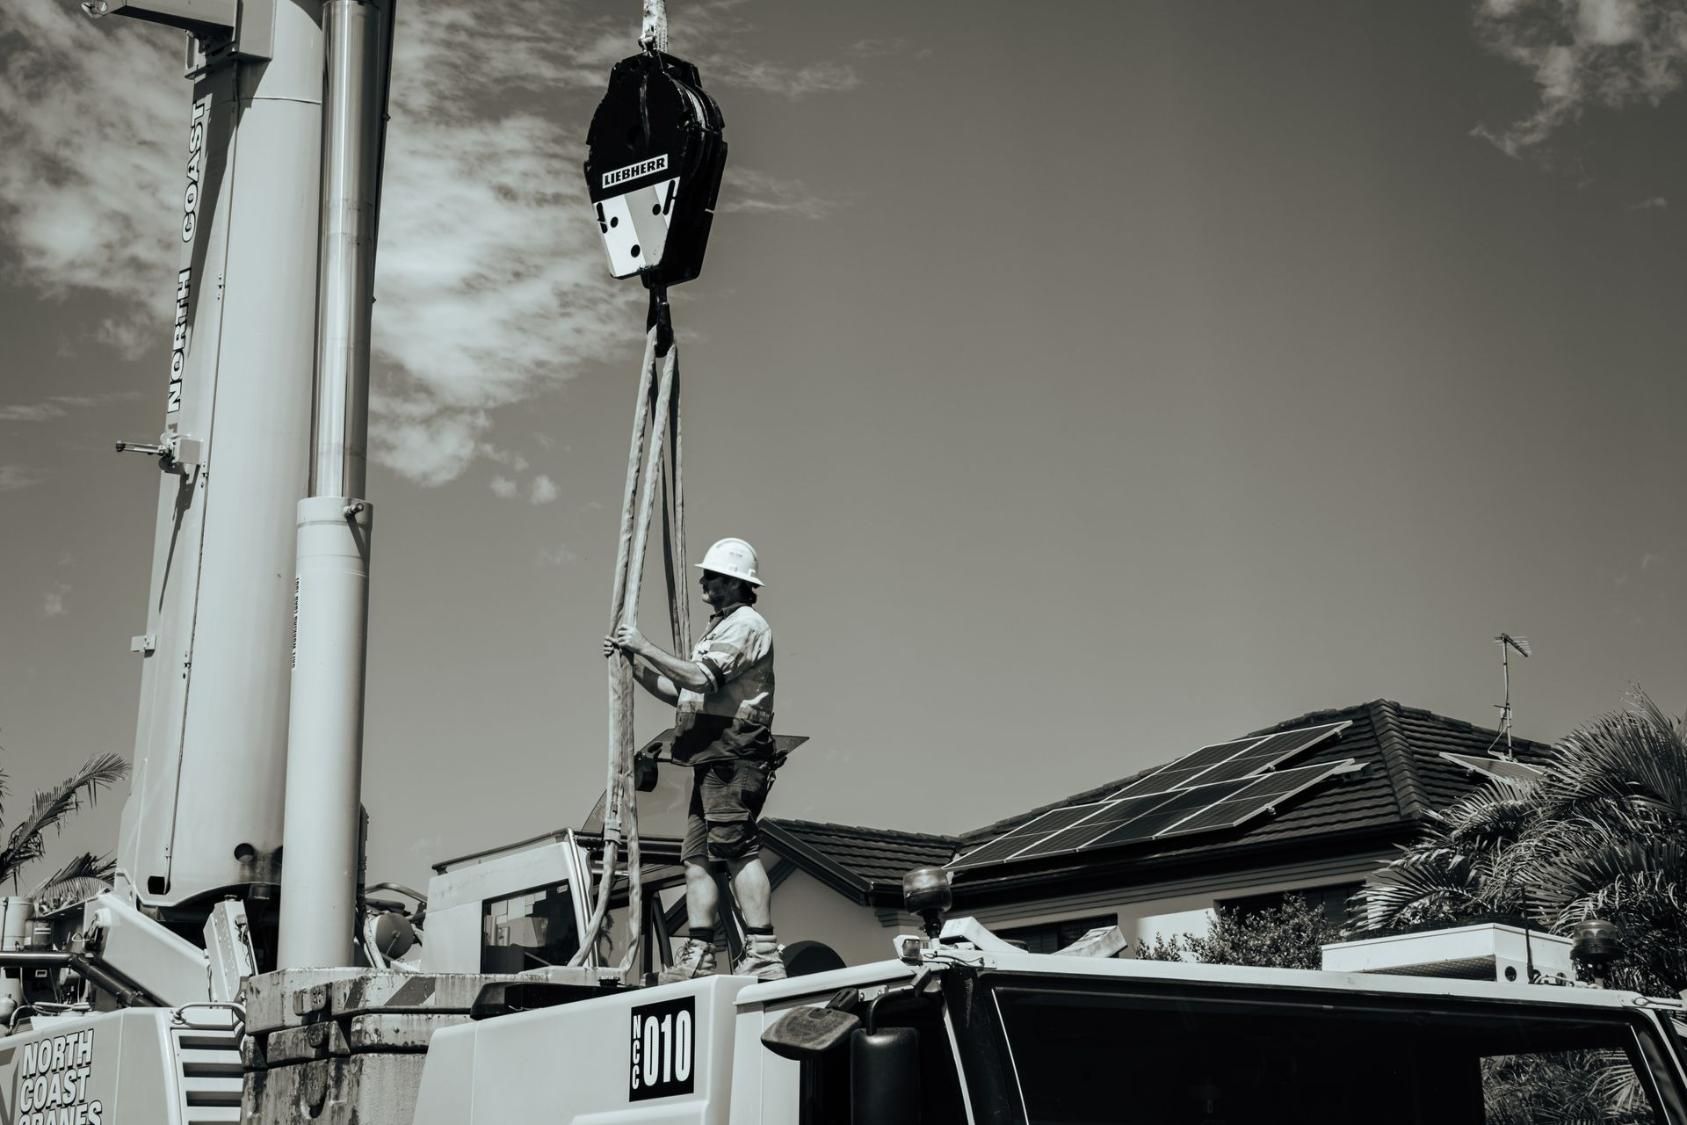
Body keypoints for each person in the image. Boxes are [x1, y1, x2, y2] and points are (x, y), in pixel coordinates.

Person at [603, 536, 785, 981]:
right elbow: (679, 691)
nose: (705, 582)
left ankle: (763, 951)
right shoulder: (720, 628)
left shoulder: (746, 625)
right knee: (697, 857)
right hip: (711, 757)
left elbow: (700, 679)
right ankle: (701, 953)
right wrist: (636, 661)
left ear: (740, 585)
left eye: (716, 577)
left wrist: (644, 646)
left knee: (737, 850)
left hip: (734, 753)